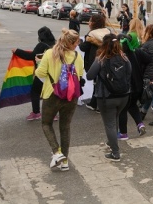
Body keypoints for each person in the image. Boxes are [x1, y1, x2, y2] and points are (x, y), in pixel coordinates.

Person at [34, 29, 84, 171]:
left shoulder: (50, 54)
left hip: (52, 94)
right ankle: (65, 161)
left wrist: (39, 63)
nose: (77, 45)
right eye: (76, 42)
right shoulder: (77, 56)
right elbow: (79, 74)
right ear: (71, 43)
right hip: (71, 96)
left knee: (46, 123)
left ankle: (56, 152)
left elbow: (40, 73)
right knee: (65, 127)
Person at [86, 33, 131, 162]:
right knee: (115, 119)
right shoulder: (124, 57)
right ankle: (111, 142)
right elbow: (129, 73)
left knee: (109, 123)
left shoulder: (101, 58)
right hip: (123, 95)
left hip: (106, 96)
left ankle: (115, 152)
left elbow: (89, 76)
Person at [12, 26, 56, 121]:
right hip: (54, 73)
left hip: (42, 73)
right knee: (51, 93)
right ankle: (53, 114)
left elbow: (31, 56)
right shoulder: (55, 44)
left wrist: (17, 51)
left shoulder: (41, 45)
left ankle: (36, 113)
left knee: (35, 92)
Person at [117, 33, 149, 139]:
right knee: (132, 106)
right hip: (138, 86)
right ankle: (140, 124)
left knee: (122, 109)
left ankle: (123, 133)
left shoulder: (121, 57)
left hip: (128, 88)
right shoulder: (133, 53)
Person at [79, 14, 110, 111]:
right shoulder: (107, 31)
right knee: (103, 81)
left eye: (90, 21)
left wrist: (80, 42)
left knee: (97, 83)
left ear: (94, 23)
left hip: (95, 60)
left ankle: (96, 104)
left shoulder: (92, 34)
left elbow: (84, 47)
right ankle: (97, 102)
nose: (89, 23)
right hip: (107, 60)